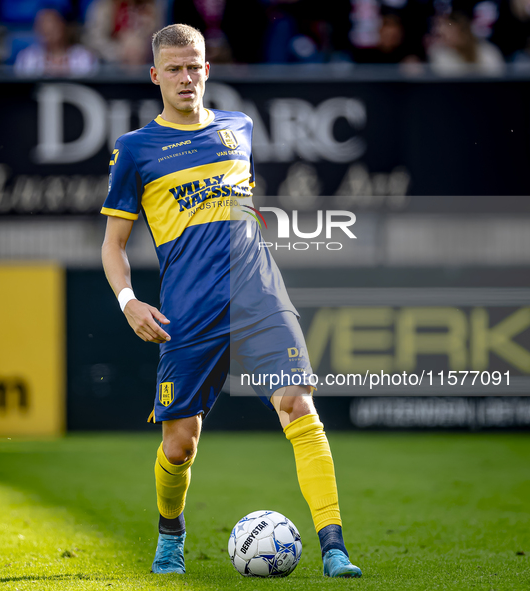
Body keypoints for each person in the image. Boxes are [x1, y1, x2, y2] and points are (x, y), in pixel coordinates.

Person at [100, 23, 362, 579]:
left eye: (194, 65)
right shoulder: (136, 151)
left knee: (298, 404)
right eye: (174, 68)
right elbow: (113, 245)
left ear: (207, 69)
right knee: (179, 445)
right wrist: (128, 301)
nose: (186, 77)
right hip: (189, 310)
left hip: (259, 291)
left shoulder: (238, 128)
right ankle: (171, 534)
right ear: (155, 76)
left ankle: (334, 546)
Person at [14, 8, 97, 76]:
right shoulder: (27, 57)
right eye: (41, 25)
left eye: (53, 26)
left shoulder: (84, 57)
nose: (46, 29)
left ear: (64, 26)